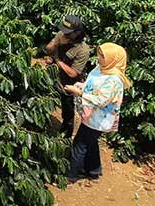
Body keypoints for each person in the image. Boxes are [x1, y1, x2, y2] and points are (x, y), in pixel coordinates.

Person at [64, 42, 130, 183]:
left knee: (79, 144)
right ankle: (93, 172)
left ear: (113, 60)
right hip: (91, 116)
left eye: (102, 56)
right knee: (91, 142)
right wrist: (82, 86)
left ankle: (71, 176)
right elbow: (94, 86)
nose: (98, 58)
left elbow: (101, 100)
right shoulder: (102, 68)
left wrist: (79, 92)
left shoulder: (114, 80)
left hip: (97, 120)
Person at [45, 15, 91, 137]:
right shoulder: (62, 34)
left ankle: (67, 132)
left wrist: (57, 60)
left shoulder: (83, 50)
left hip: (69, 83)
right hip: (54, 76)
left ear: (78, 33)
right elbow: (49, 48)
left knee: (68, 110)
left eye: (68, 33)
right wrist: (53, 47)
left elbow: (73, 73)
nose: (64, 34)